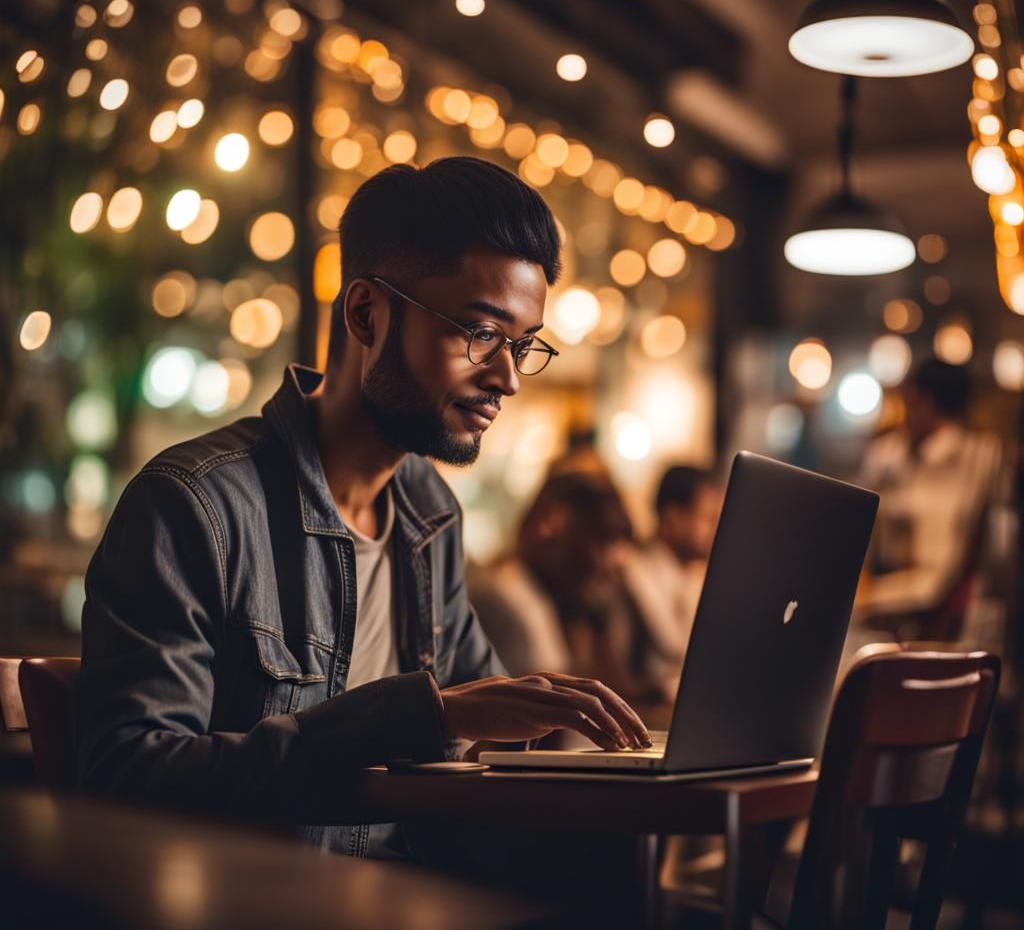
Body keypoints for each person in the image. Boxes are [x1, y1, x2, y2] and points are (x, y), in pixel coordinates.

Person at [74, 157, 651, 862]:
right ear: (365, 314)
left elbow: (489, 724)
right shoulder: (196, 506)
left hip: (411, 892)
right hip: (255, 900)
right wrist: (425, 718)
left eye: (522, 347)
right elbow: (128, 779)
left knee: (623, 868)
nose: (506, 378)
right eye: (480, 333)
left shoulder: (428, 514)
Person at [855, 356, 1001, 638]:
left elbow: (936, 576)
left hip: (935, 611)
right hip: (884, 601)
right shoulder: (886, 452)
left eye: (914, 400)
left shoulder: (978, 458)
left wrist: (865, 595)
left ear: (927, 402)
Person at [471, 471, 645, 698]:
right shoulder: (505, 596)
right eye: (603, 541)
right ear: (551, 523)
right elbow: (526, 707)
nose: (616, 563)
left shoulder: (562, 599)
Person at [621, 465, 723, 700]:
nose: (716, 530)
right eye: (709, 519)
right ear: (673, 517)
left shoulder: (698, 580)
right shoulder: (632, 574)